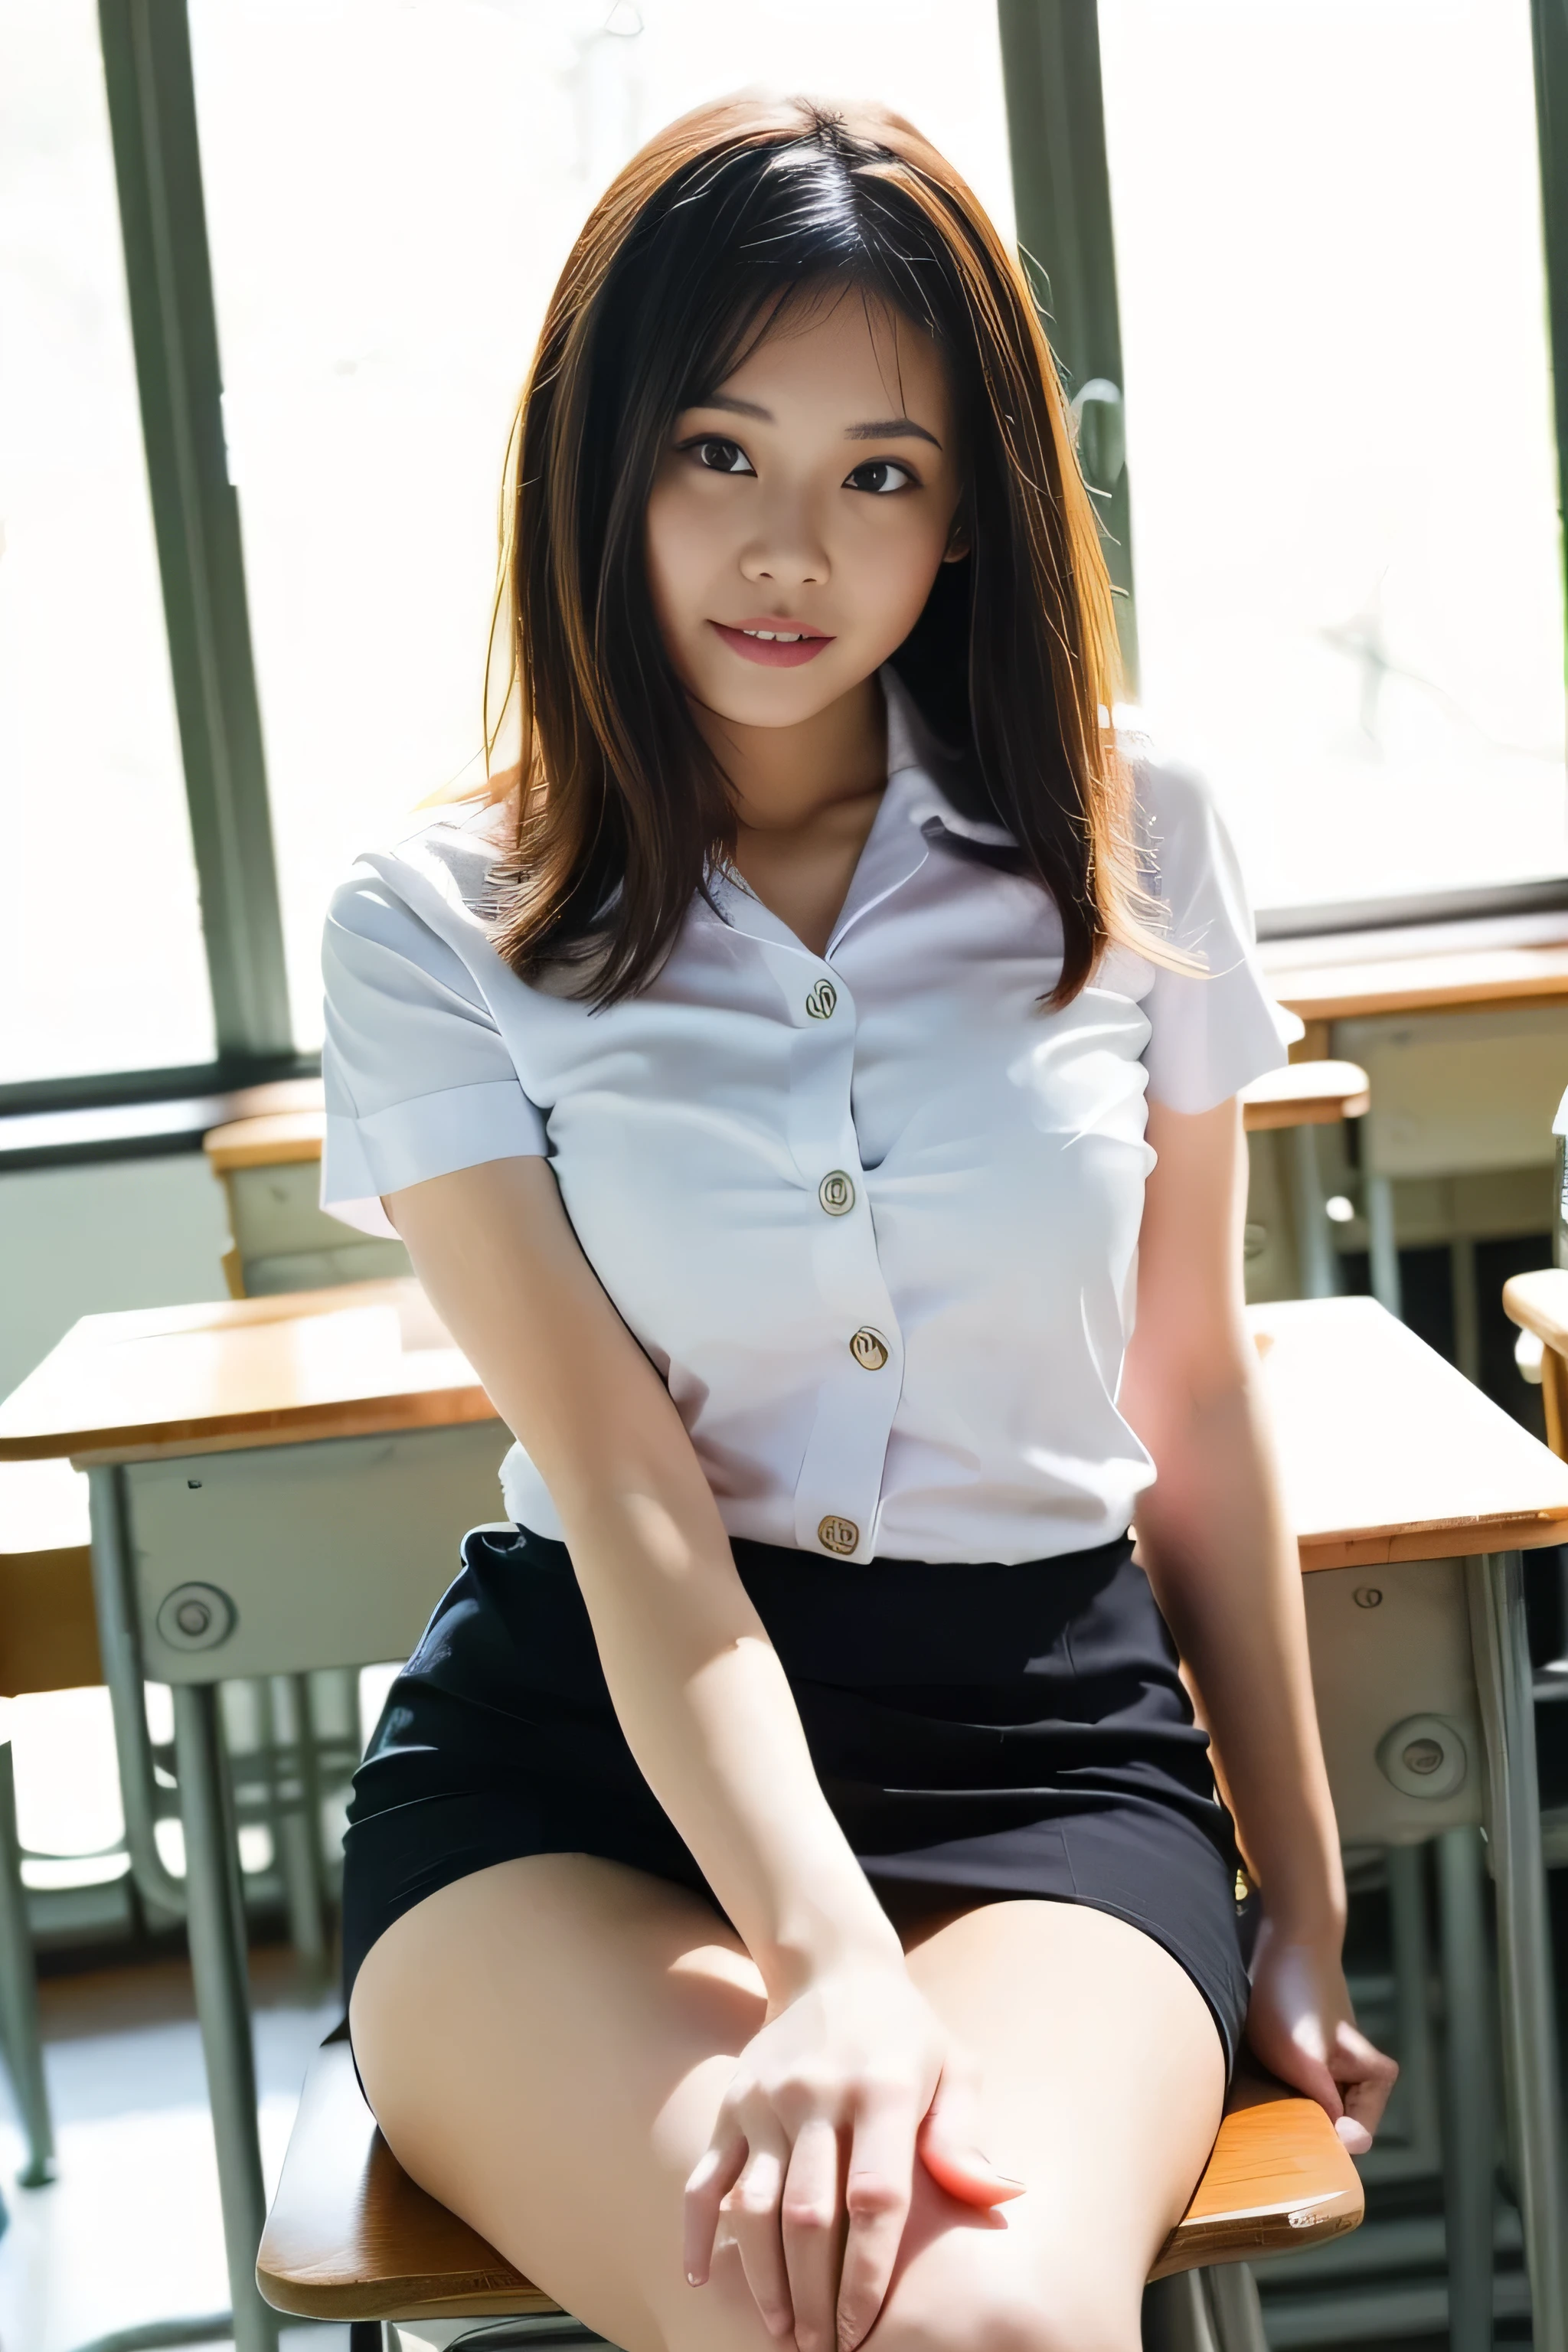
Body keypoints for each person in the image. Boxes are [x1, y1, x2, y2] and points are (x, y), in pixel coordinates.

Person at [323, 94, 1394, 2352]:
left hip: (1043, 1744)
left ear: (974, 514)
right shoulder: (436, 918)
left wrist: (1302, 1890)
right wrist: (816, 1961)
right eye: (717, 451)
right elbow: (622, 1496)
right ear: (596, 465)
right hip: (584, 1777)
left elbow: (1190, 1379)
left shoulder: (1140, 835)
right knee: (812, 2307)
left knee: (979, 2321)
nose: (785, 550)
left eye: (878, 473)